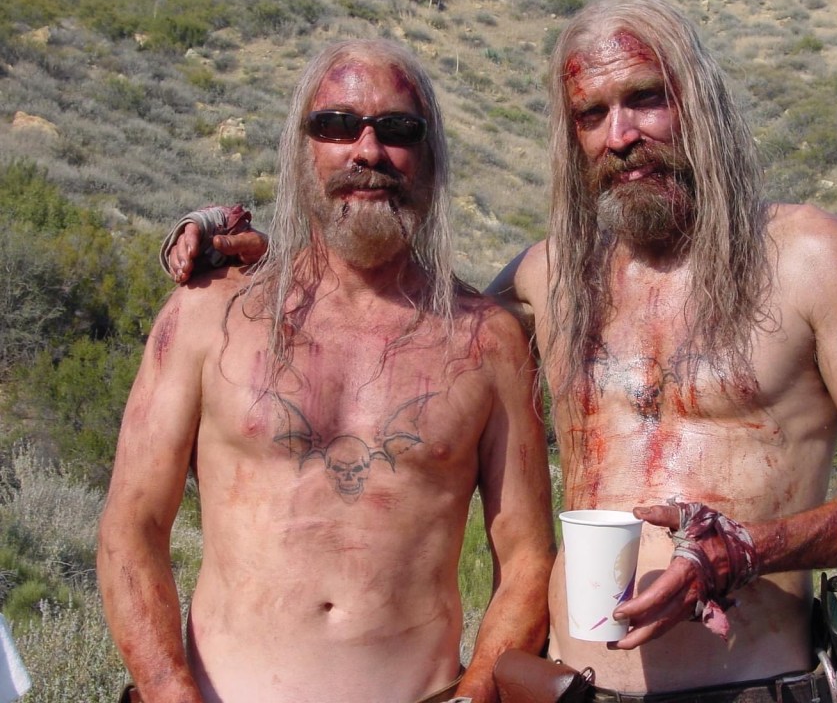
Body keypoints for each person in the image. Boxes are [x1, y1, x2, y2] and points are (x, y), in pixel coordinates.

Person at [162, 0, 837, 702]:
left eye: (646, 99)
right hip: (574, 690)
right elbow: (401, 321)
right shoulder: (551, 279)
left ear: (700, 102)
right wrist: (263, 253)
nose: (622, 135)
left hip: (750, 685)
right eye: (591, 113)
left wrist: (747, 549)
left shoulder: (809, 259)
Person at [97, 38, 555, 703]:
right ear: (301, 150)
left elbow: (528, 559)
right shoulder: (206, 317)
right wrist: (170, 693)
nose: (368, 151)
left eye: (398, 130)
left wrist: (476, 693)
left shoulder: (489, 344)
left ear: (431, 158)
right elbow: (131, 526)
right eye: (336, 125)